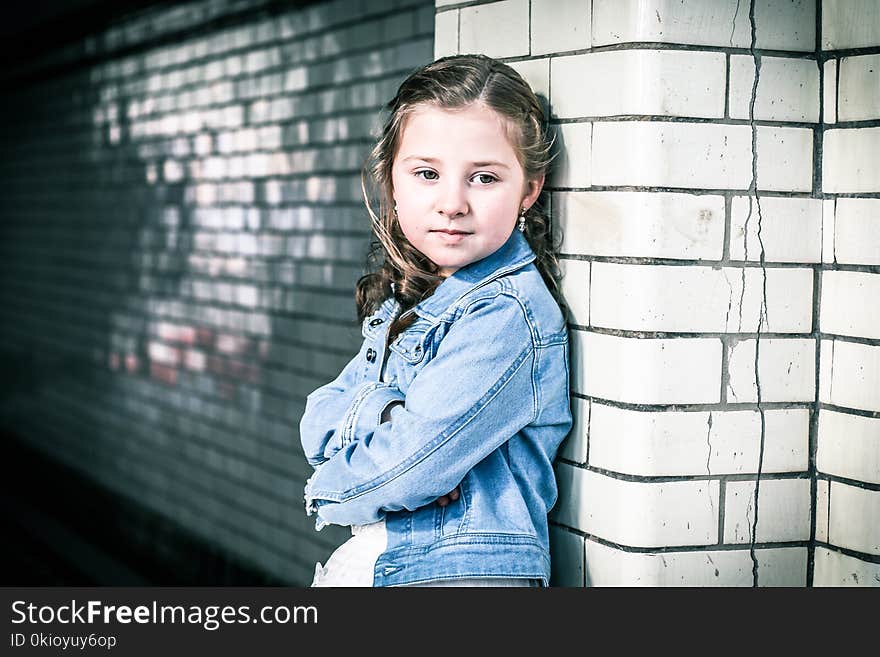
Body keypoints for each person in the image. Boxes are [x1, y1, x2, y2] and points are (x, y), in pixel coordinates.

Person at [299, 54, 572, 587]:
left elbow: (409, 468)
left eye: (485, 178)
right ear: (392, 183)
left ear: (530, 189)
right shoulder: (415, 295)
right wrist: (389, 416)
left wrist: (334, 480)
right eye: (427, 173)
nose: (452, 203)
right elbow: (317, 416)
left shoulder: (504, 313)